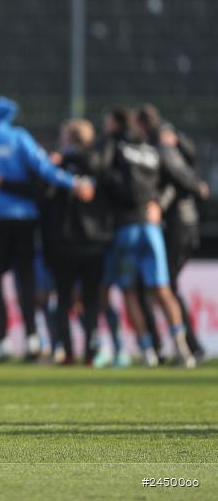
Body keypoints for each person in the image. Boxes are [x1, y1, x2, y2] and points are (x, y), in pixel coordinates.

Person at [0, 96, 93, 363]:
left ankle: (1, 341)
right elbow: (44, 169)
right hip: (26, 218)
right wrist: (73, 183)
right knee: (25, 278)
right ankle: (32, 338)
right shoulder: (18, 137)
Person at [98, 108, 196, 368]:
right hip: (151, 229)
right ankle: (182, 349)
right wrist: (159, 204)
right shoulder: (153, 151)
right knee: (163, 290)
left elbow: (103, 173)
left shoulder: (116, 149)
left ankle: (147, 352)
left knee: (129, 292)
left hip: (126, 228)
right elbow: (174, 179)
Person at [136, 105, 208, 363]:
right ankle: (178, 347)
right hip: (183, 223)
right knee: (165, 286)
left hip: (177, 225)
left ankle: (190, 347)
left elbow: (182, 182)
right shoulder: (170, 140)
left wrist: (160, 205)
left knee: (166, 286)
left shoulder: (160, 147)